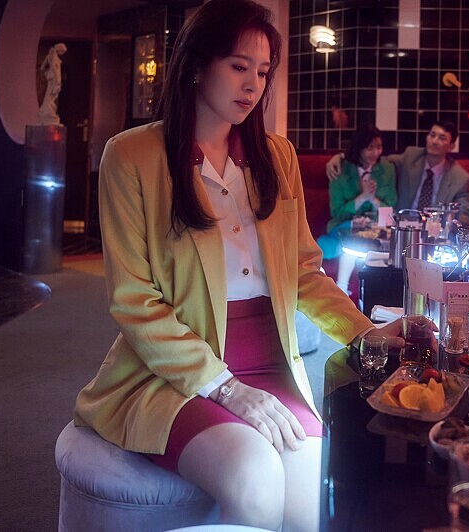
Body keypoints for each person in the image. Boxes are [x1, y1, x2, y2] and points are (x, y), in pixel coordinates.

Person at [72, 2, 405, 530]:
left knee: (314, 501)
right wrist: (225, 387)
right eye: (238, 66)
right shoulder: (132, 156)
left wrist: (368, 336)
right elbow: (133, 300)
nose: (253, 85)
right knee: (253, 474)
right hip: (174, 373)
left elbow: (303, 273)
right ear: (196, 64)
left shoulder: (277, 156)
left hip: (271, 364)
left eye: (264, 71)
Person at [326, 120, 469, 225]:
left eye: (442, 138)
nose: (435, 141)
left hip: (434, 232)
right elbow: (373, 159)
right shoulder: (411, 157)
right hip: (403, 227)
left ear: (451, 146)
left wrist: (454, 227)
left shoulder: (460, 178)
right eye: (432, 135)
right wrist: (341, 157)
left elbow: (466, 214)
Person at [318, 124, 397, 293]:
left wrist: (373, 199)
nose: (375, 152)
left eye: (379, 147)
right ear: (359, 148)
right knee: (353, 242)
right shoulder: (340, 169)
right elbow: (336, 212)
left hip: (376, 229)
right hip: (345, 227)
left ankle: (351, 290)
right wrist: (362, 198)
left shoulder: (387, 169)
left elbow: (390, 209)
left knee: (369, 242)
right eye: (370, 148)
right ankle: (342, 290)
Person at [39, 42, 67, 125]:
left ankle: (46, 111)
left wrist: (47, 73)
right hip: (54, 79)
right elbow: (54, 69)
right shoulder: (53, 56)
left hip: (53, 79)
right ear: (59, 49)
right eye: (62, 51)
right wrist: (57, 80)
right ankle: (46, 111)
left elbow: (42, 67)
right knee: (50, 96)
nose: (62, 53)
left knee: (50, 97)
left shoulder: (50, 55)